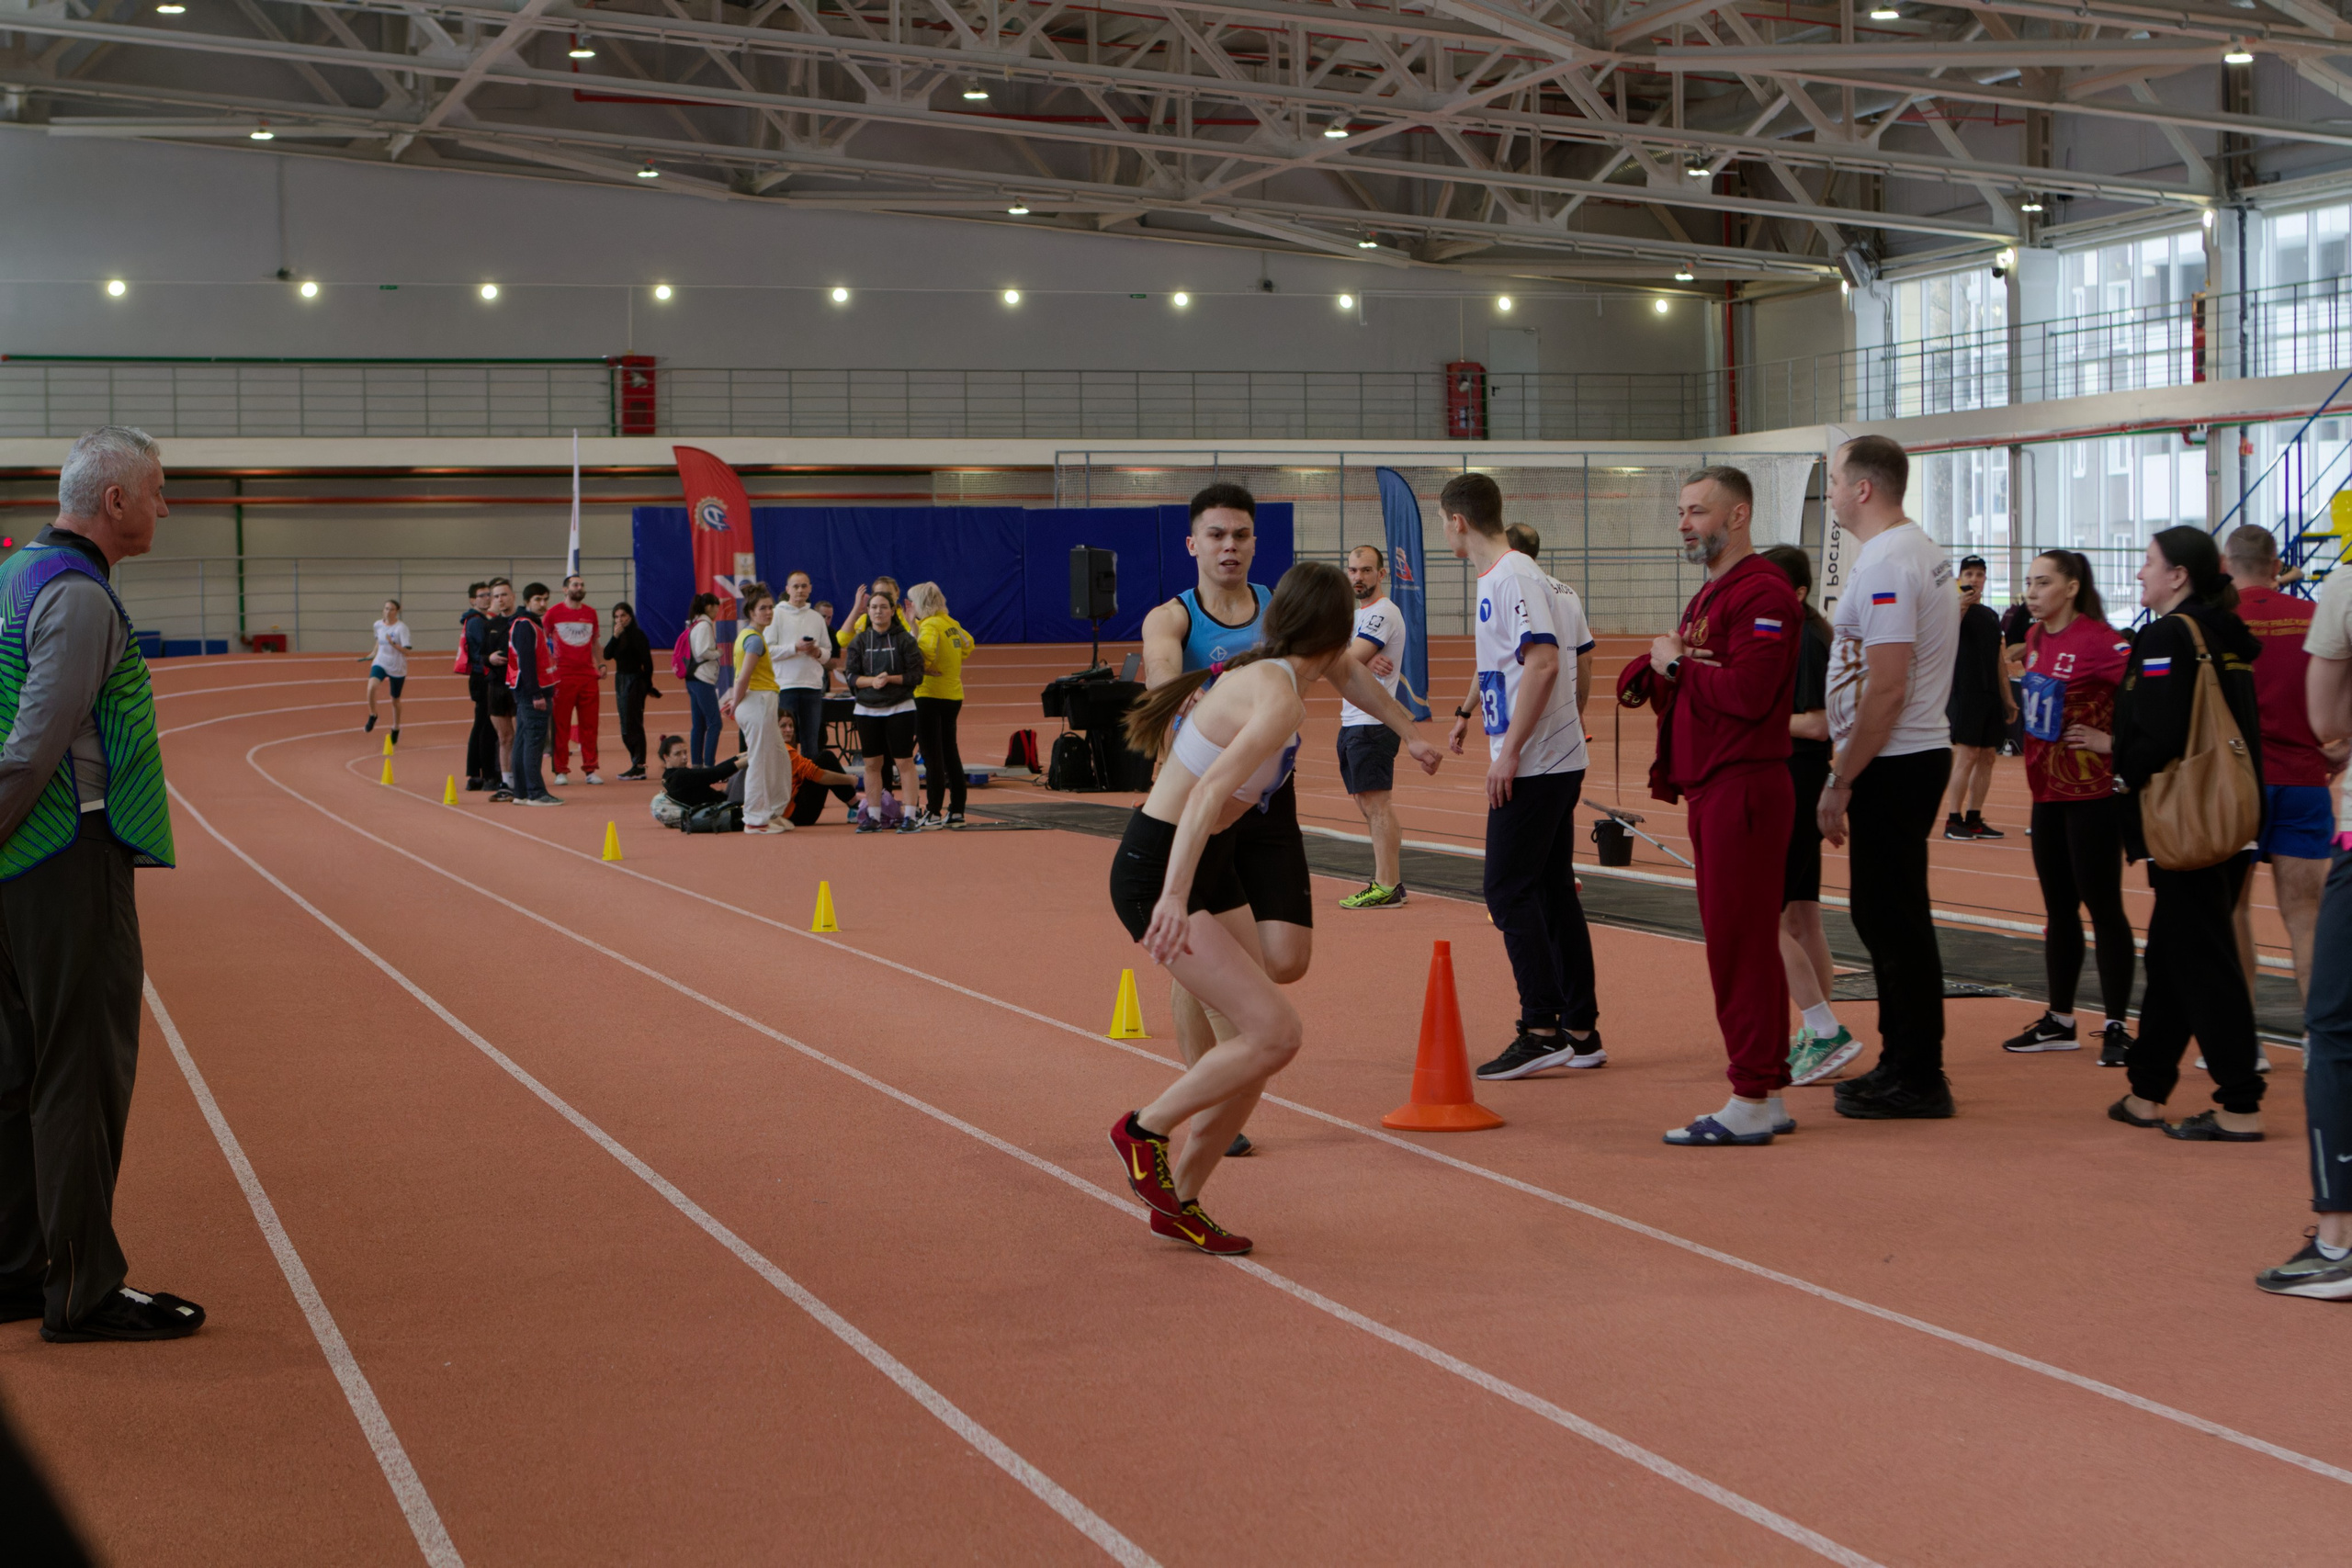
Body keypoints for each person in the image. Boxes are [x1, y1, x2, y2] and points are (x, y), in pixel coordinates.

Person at [1141, 484, 1438, 1156]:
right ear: (1194, 543)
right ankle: (1209, 1097)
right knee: (1209, 963)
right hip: (1207, 806)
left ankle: (1227, 1040)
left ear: (1255, 542)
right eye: (1216, 535)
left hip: (1270, 807)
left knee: (1286, 960)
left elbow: (1345, 673)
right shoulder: (1174, 620)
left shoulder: (1283, 610)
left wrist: (1407, 729)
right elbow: (1161, 686)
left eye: (1241, 535)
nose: (1230, 547)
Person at [0, 424, 204, 1341]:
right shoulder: (80, 600)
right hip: (63, 859)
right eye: (158, 490)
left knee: (19, 1072)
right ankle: (80, 1290)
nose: (166, 506)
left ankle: (16, 1267)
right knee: (81, 1071)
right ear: (115, 501)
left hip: (19, 867)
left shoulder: (16, 575)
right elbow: (34, 749)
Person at [1109, 562, 1361, 1254]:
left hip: (1200, 864)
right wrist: (1172, 894)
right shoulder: (1278, 695)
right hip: (1163, 865)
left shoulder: (1267, 675)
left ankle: (1181, 1199)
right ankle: (1143, 1129)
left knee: (1259, 1048)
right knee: (1277, 1032)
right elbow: (1205, 794)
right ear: (1337, 639)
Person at [1638, 468, 1804, 1145]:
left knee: (1738, 942)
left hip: (1742, 786)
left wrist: (1678, 666)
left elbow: (1750, 692)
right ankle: (1764, 1087)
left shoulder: (1761, 591)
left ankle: (1750, 1093)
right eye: (1680, 511)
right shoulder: (1714, 592)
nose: (1684, 523)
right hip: (1716, 784)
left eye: (1696, 511)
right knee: (1746, 940)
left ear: (1738, 515)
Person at [2105, 527, 2267, 1142]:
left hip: (2189, 818)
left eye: (2148, 564)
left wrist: (2123, 774)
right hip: (2230, 811)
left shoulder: (2170, 635)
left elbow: (2162, 729)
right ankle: (2147, 1090)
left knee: (2203, 959)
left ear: (2178, 575)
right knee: (2174, 954)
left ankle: (2240, 1103)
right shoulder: (2223, 635)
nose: (2140, 575)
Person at [1441, 473, 1604, 1081]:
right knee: (1551, 888)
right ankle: (1581, 1030)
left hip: (1534, 763)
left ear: (1457, 520)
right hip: (1547, 757)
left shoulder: (1514, 576)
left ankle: (1540, 1027)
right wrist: (1470, 718)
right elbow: (1512, 666)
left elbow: (1543, 662)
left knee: (1507, 890)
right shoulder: (1511, 578)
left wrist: (1509, 752)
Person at [1818, 435, 1961, 1121]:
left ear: (1864, 489)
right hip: (1901, 755)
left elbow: (1887, 687)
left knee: (1892, 917)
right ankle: (1905, 1059)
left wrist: (1843, 778)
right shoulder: (1910, 551)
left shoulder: (1889, 561)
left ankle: (1917, 1071)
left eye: (1838, 481)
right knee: (1887, 914)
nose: (1833, 494)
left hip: (1895, 758)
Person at [1999, 550, 2138, 1066]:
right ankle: (2059, 1019)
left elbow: (2150, 696)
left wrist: (2114, 740)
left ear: (2073, 587)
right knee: (2059, 910)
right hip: (2046, 795)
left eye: (2043, 582)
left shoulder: (2102, 641)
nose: (2032, 591)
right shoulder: (2035, 638)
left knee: (2103, 908)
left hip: (2093, 797)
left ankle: (2119, 1024)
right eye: (2029, 582)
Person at [2259, 561, 2352, 1297]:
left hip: (2317, 801)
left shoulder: (2344, 584)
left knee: (2335, 1031)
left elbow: (2326, 721)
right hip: (2305, 799)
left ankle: (2338, 1241)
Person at [2226, 525, 2336, 1036]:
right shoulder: (2314, 617)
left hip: (2238, 786)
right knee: (2306, 918)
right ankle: (2320, 1042)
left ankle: (2244, 1044)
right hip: (2305, 781)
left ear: (2227, 566)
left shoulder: (2219, 622)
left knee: (2234, 909)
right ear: (2277, 566)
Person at [1761, 545, 1858, 1086]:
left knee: (1761, 918)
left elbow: (1817, 725)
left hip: (1795, 780)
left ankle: (1821, 1028)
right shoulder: (1808, 633)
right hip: (1803, 777)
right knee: (1802, 916)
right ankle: (1816, 1032)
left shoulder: (1804, 641)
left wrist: (1751, 722)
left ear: (1796, 592)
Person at [1337, 544, 1411, 909]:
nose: (1358, 577)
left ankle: (1387, 884)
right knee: (1367, 804)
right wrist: (1357, 659)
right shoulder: (1357, 615)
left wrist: (1356, 659)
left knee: (1377, 804)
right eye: (1352, 570)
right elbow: (1341, 656)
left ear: (1381, 574)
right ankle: (1389, 880)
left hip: (1373, 722)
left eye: (1366, 570)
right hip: (1353, 719)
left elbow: (1343, 661)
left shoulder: (1383, 612)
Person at [1941, 555, 2013, 840]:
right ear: (1959, 578)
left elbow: (1999, 660)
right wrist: (1959, 605)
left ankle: (1974, 817)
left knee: (1987, 757)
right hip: (1965, 691)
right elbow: (1943, 638)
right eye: (1968, 573)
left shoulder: (1991, 616)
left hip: (1989, 693)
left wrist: (2007, 697)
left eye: (1979, 574)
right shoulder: (1950, 610)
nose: (1974, 579)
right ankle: (1952, 818)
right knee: (1967, 754)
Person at [843, 590, 924, 832]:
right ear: (868, 612)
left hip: (900, 708)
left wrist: (890, 679)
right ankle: (874, 816)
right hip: (867, 711)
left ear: (892, 611)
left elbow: (916, 676)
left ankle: (909, 816)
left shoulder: (905, 640)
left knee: (904, 762)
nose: (878, 611)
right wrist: (872, 682)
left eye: (883, 607)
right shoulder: (859, 641)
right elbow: (851, 676)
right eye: (874, 607)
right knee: (871, 764)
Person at [718, 583, 793, 835]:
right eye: (763, 608)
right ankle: (754, 820)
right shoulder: (754, 640)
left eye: (771, 607)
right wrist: (735, 703)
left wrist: (735, 700)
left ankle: (773, 812)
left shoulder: (752, 636)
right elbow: (743, 677)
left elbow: (741, 678)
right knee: (760, 762)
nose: (769, 612)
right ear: (751, 612)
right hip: (757, 702)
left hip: (761, 701)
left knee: (780, 758)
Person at [908, 581, 976, 829]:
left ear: (921, 604)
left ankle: (933, 810)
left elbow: (923, 655)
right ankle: (957, 810)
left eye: (912, 602)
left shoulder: (930, 626)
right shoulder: (951, 624)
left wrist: (923, 667)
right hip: (953, 695)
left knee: (931, 755)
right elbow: (968, 644)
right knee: (951, 753)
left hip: (929, 694)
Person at [543, 573, 604, 786]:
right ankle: (561, 770)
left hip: (588, 676)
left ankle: (590, 769)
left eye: (582, 584)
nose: (579, 587)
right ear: (565, 589)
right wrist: (548, 669)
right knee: (561, 725)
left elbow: (596, 642)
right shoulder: (552, 614)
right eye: (575, 584)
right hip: (563, 677)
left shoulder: (591, 613)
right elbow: (542, 641)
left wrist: (601, 664)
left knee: (590, 725)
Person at [506, 582, 562, 807]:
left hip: (527, 692)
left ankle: (521, 792)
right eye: (538, 599)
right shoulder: (525, 626)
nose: (543, 603)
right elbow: (526, 663)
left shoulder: (526, 624)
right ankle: (535, 792)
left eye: (545, 599)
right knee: (534, 742)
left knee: (522, 741)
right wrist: (536, 694)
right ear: (527, 601)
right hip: (532, 694)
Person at [770, 571, 834, 761]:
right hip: (785, 687)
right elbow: (768, 650)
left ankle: (808, 788)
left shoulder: (816, 618)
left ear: (810, 588)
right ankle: (786, 786)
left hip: (812, 688)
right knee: (785, 743)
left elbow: (827, 651)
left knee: (811, 744)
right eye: (796, 586)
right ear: (787, 589)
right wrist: (794, 648)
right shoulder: (775, 615)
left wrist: (817, 652)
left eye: (804, 586)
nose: (800, 590)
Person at [604, 601, 657, 782]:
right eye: (616, 617)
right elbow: (607, 655)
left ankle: (639, 765)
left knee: (634, 722)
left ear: (630, 617)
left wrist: (646, 686)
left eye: (623, 616)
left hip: (634, 681)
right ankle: (635, 761)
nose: (620, 620)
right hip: (620, 681)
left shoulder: (638, 635)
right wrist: (614, 637)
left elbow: (648, 663)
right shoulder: (618, 636)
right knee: (625, 724)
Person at [778, 710, 860, 826]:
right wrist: (850, 779)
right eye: (783, 726)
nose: (789, 730)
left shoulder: (766, 749)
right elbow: (820, 776)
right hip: (797, 816)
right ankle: (855, 805)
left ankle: (854, 803)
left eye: (791, 726)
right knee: (826, 758)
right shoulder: (786, 751)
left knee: (820, 760)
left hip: (782, 812)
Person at [458, 581, 499, 791]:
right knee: (484, 725)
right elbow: (482, 650)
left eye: (488, 595)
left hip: (480, 674)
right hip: (480, 676)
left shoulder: (480, 620)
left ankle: (475, 774)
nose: (487, 598)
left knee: (481, 723)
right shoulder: (476, 622)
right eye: (482, 595)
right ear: (472, 600)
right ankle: (479, 774)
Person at [651, 734, 737, 828]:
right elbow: (716, 773)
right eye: (678, 754)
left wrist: (739, 757)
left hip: (722, 802)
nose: (684, 757)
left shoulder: (669, 776)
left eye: (685, 752)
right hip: (725, 805)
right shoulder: (680, 776)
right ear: (666, 757)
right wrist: (746, 759)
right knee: (743, 772)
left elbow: (715, 771)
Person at [483, 580, 518, 799]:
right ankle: (507, 783)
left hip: (518, 685)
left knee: (521, 735)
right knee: (504, 737)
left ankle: (525, 779)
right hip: (497, 686)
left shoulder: (523, 621)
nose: (500, 599)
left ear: (512, 596)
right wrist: (489, 658)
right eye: (496, 596)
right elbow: (478, 657)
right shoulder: (489, 626)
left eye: (504, 595)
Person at [360, 597, 412, 744]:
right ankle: (373, 715)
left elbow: (407, 651)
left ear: (397, 611)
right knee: (371, 687)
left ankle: (395, 727)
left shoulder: (401, 628)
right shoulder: (377, 625)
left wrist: (392, 643)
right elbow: (378, 641)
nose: (388, 612)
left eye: (391, 609)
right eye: (386, 609)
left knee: (395, 700)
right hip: (381, 662)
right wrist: (373, 653)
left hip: (397, 667)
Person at [684, 592, 724, 768]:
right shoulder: (704, 626)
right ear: (709, 607)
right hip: (702, 679)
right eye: (716, 607)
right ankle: (709, 765)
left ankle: (698, 765)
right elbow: (702, 652)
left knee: (699, 724)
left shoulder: (694, 624)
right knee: (715, 723)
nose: (717, 611)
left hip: (693, 678)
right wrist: (718, 653)